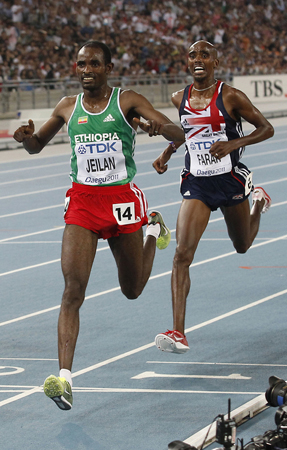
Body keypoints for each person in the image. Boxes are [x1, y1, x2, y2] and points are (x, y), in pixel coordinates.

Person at [13, 40, 184, 410]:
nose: (86, 69)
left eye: (93, 63)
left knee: (133, 289)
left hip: (122, 201)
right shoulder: (67, 107)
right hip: (83, 204)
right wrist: (27, 138)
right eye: (80, 64)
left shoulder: (127, 101)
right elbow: (36, 146)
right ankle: (64, 378)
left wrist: (160, 125)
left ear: (108, 67)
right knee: (72, 290)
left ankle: (153, 230)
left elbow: (177, 132)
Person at [150, 40, 274, 354]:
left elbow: (266, 128)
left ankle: (258, 202)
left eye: (205, 54)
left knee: (242, 245)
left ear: (215, 61)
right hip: (198, 185)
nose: (198, 59)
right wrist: (167, 151)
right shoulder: (180, 97)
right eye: (193, 55)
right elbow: (187, 131)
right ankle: (178, 332)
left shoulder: (230, 96)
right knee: (181, 255)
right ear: (187, 63)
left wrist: (233, 145)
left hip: (229, 182)